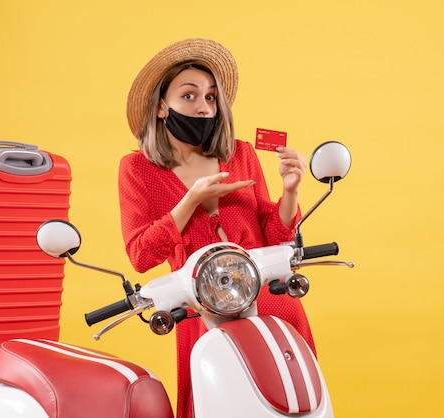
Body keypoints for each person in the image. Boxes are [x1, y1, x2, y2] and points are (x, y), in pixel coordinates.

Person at [119, 38, 316, 418]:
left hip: (271, 301)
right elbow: (141, 256)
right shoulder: (137, 170)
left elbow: (276, 236)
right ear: (162, 106)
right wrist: (189, 200)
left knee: (294, 402)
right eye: (189, 95)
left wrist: (290, 192)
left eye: (210, 97)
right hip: (202, 311)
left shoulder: (240, 154)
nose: (203, 106)